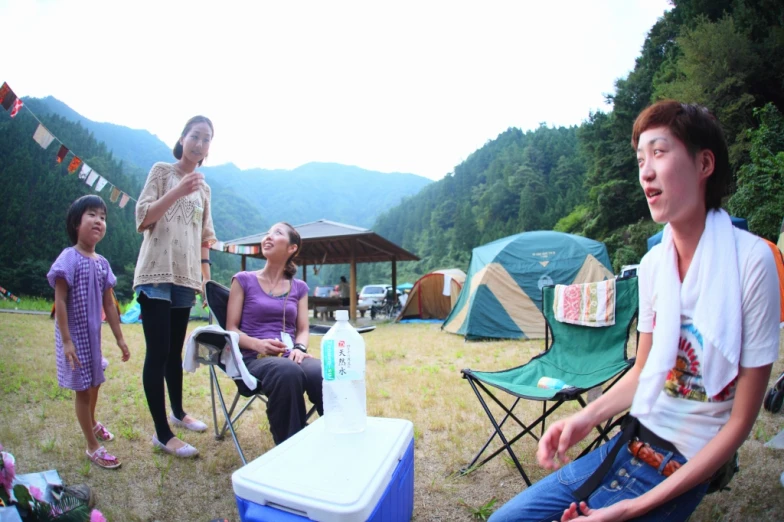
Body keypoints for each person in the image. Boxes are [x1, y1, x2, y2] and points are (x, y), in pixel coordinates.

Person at [489, 101, 780, 522]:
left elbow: (738, 424)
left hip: (686, 464)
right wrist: (585, 419)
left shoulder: (753, 262)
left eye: (659, 153)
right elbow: (643, 370)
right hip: (630, 441)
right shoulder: (653, 265)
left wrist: (632, 508)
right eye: (640, 159)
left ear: (704, 163)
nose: (645, 171)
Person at [133, 115, 218, 458]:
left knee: (173, 351)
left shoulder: (205, 188)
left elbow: (205, 237)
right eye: (195, 136)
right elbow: (143, 217)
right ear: (183, 139)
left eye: (207, 139)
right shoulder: (162, 171)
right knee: (157, 352)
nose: (200, 143)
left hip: (186, 279)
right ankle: (162, 434)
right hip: (155, 273)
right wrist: (177, 191)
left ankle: (179, 413)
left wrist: (206, 279)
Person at [47, 195, 131, 470]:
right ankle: (91, 445)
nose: (99, 221)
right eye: (92, 215)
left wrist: (119, 338)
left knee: (95, 384)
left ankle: (92, 422)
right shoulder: (68, 258)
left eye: (103, 217)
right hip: (74, 339)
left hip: (93, 339)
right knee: (83, 390)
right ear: (76, 223)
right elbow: (59, 301)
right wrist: (67, 342)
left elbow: (109, 302)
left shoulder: (102, 263)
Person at [226, 222, 323, 444]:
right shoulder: (243, 280)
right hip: (253, 359)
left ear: (292, 248)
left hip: (289, 355)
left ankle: (339, 435)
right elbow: (231, 329)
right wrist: (258, 344)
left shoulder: (299, 287)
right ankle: (292, 445)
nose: (268, 237)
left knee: (320, 371)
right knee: (287, 371)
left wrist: (300, 348)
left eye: (277, 233)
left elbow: (302, 329)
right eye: (267, 233)